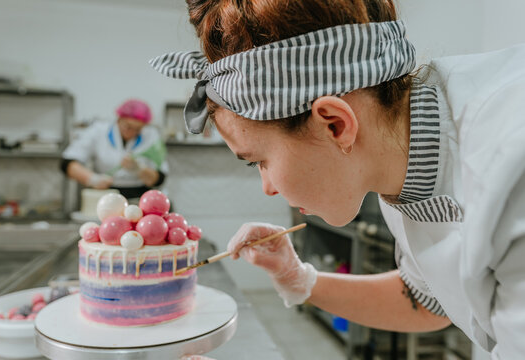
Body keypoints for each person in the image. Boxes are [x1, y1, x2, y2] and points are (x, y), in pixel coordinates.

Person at [150, 0, 525, 357]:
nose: (268, 188)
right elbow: (428, 301)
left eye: (259, 161)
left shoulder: (511, 169)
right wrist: (299, 280)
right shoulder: (399, 152)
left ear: (335, 123)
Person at [61, 99, 168, 199]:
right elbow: (67, 163)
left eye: (137, 129)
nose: (131, 132)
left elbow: (160, 178)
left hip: (139, 196)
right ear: (119, 119)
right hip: (105, 194)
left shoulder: (151, 134)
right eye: (128, 126)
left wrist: (140, 170)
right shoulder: (99, 130)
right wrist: (92, 179)